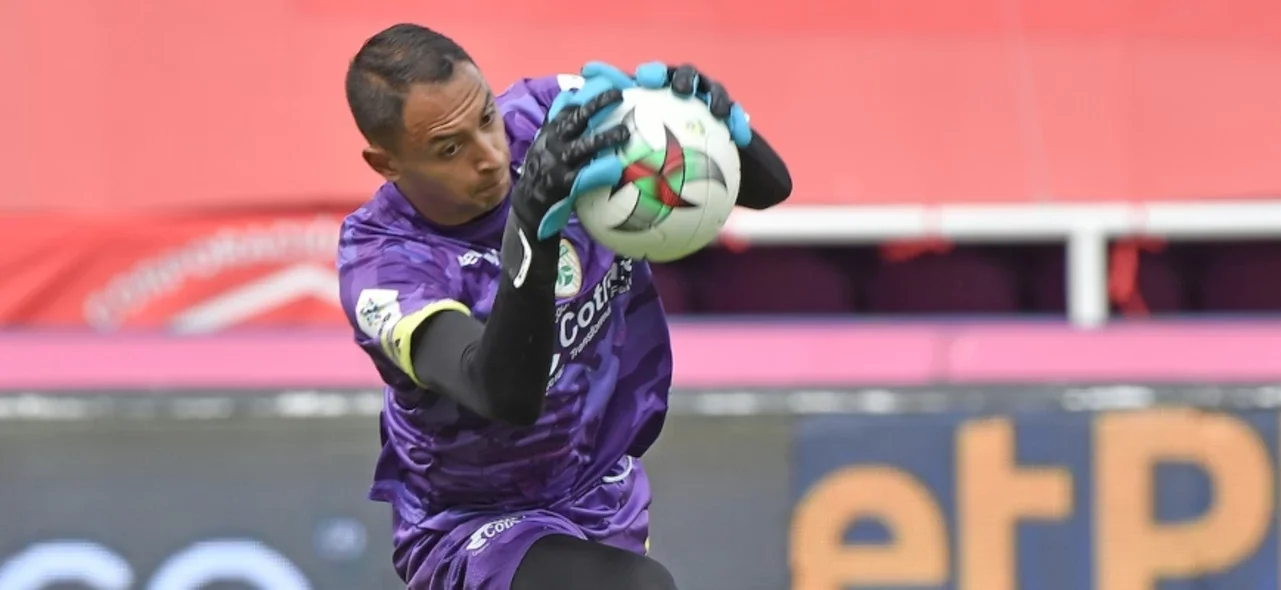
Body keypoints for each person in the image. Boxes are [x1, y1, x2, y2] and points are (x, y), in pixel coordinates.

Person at [338, 23, 792, 590]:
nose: (490, 156)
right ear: (385, 164)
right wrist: (533, 224)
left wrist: (709, 123)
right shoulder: (383, 265)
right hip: (472, 527)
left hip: (603, 494)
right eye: (449, 149)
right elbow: (503, 394)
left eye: (485, 117)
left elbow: (769, 189)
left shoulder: (550, 116)